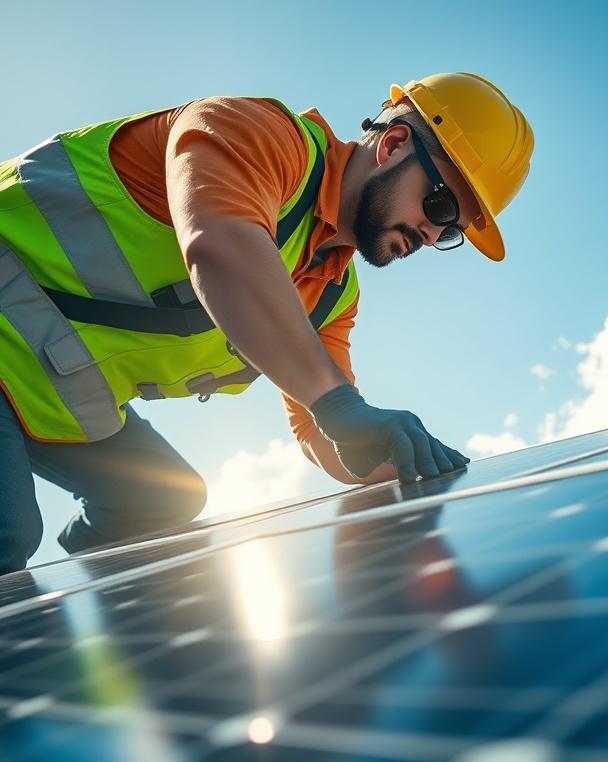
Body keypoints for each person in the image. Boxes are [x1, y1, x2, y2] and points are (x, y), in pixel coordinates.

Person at [0, 72, 534, 575]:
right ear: (393, 144)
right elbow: (222, 247)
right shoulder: (254, 133)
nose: (430, 233)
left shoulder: (330, 292)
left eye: (450, 232)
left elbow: (319, 425)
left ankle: (50, 616)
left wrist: (390, 463)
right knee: (9, 531)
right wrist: (340, 406)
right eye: (439, 205)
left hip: (45, 385)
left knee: (162, 500)